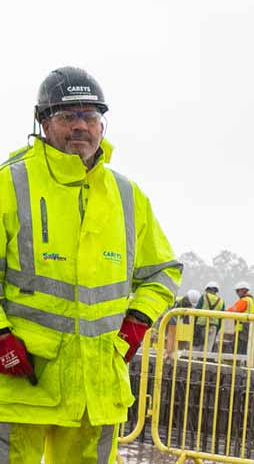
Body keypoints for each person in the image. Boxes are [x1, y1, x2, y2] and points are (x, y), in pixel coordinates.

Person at [0, 66, 182, 463]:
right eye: (68, 116)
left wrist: (135, 324)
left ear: (102, 125)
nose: (80, 126)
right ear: (43, 122)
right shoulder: (10, 185)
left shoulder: (127, 196)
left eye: (90, 116)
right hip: (20, 382)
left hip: (95, 390)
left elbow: (163, 271)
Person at [226, 281, 254, 355]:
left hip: (242, 327)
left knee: (239, 345)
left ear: (243, 290)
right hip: (251, 326)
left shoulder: (244, 300)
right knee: (246, 346)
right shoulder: (253, 300)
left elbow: (232, 310)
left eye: (237, 291)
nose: (237, 293)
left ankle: (236, 362)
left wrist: (223, 311)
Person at [193, 281, 225, 350]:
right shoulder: (221, 301)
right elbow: (221, 318)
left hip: (201, 325)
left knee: (197, 346)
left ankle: (194, 359)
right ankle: (204, 360)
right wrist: (217, 329)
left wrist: (194, 325)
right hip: (213, 327)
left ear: (207, 289)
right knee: (208, 348)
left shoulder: (203, 297)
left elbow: (196, 311)